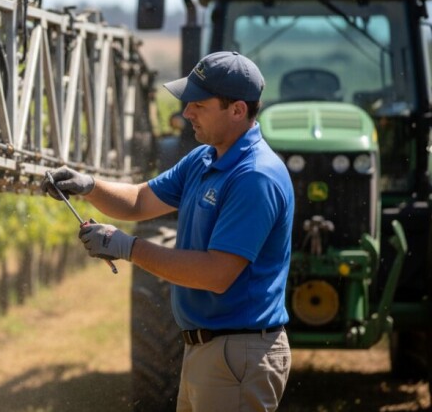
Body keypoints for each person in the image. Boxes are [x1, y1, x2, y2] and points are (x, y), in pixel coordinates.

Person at [43, 51, 294, 411]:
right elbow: (140, 200)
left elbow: (216, 274)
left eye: (198, 105)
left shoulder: (254, 177)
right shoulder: (206, 158)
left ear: (237, 110)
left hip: (238, 355)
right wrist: (88, 186)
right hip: (207, 351)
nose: (186, 113)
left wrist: (127, 247)